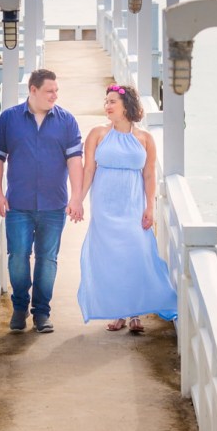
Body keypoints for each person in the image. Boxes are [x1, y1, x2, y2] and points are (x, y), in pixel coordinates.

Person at [0, 69, 84, 333]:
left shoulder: (66, 121)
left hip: (54, 204)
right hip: (18, 203)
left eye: (56, 91)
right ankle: (20, 308)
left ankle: (42, 313)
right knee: (18, 257)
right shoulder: (9, 119)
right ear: (32, 90)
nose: (55, 95)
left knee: (47, 259)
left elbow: (75, 161)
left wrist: (76, 197)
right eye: (49, 91)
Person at [77, 83, 177, 332]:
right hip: (105, 205)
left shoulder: (144, 138)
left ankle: (135, 314)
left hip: (133, 204)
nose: (107, 106)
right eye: (106, 101)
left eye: (112, 101)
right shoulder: (97, 134)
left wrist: (150, 208)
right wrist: (77, 199)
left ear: (126, 106)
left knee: (136, 255)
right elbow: (88, 170)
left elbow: (150, 176)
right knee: (112, 258)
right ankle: (119, 313)